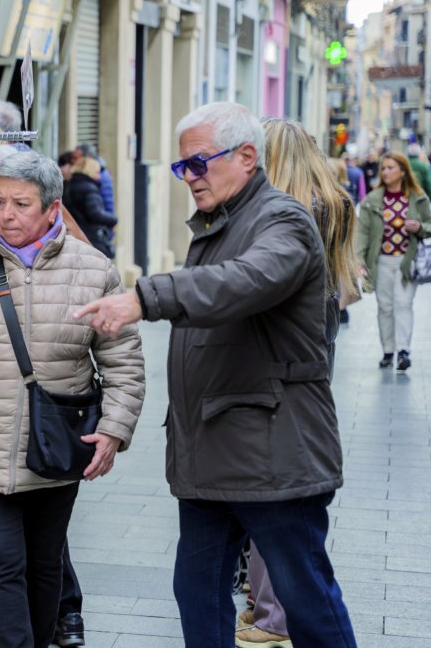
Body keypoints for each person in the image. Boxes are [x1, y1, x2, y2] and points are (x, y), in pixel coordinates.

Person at [75, 101, 357, 647]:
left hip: (271, 450)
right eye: (182, 167)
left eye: (197, 164)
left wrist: (145, 297)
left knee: (305, 595)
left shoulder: (282, 219)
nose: (187, 178)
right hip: (213, 446)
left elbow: (243, 282)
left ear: (247, 156)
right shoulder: (220, 221)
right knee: (196, 589)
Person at [0, 151, 147, 648]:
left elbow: (123, 360)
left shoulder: (94, 270)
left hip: (57, 448)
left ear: (52, 209)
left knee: (44, 565)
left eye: (21, 203)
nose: (7, 214)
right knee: (2, 565)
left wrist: (114, 429)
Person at [234, 118, 359, 648]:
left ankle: (271, 614)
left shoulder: (285, 215)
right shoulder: (334, 204)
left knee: (274, 496)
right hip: (316, 352)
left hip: (280, 363)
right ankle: (269, 607)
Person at [356, 152, 431, 372]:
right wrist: (358, 259)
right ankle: (388, 351)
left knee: (403, 304)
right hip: (381, 262)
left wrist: (420, 227)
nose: (385, 172)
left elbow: (430, 224)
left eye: (390, 168)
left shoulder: (418, 198)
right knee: (385, 307)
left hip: (408, 262)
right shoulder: (373, 199)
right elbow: (363, 232)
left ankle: (403, 351)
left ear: (403, 171)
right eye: (383, 168)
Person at [65, 157, 118, 258]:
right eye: (97, 172)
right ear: (91, 171)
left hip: (74, 235)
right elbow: (95, 213)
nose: (99, 176)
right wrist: (113, 220)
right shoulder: (89, 188)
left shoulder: (68, 186)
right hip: (92, 236)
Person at [74, 144, 115, 216]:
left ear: (88, 158)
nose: (73, 161)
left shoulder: (101, 175)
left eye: (76, 158)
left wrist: (109, 222)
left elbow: (107, 202)